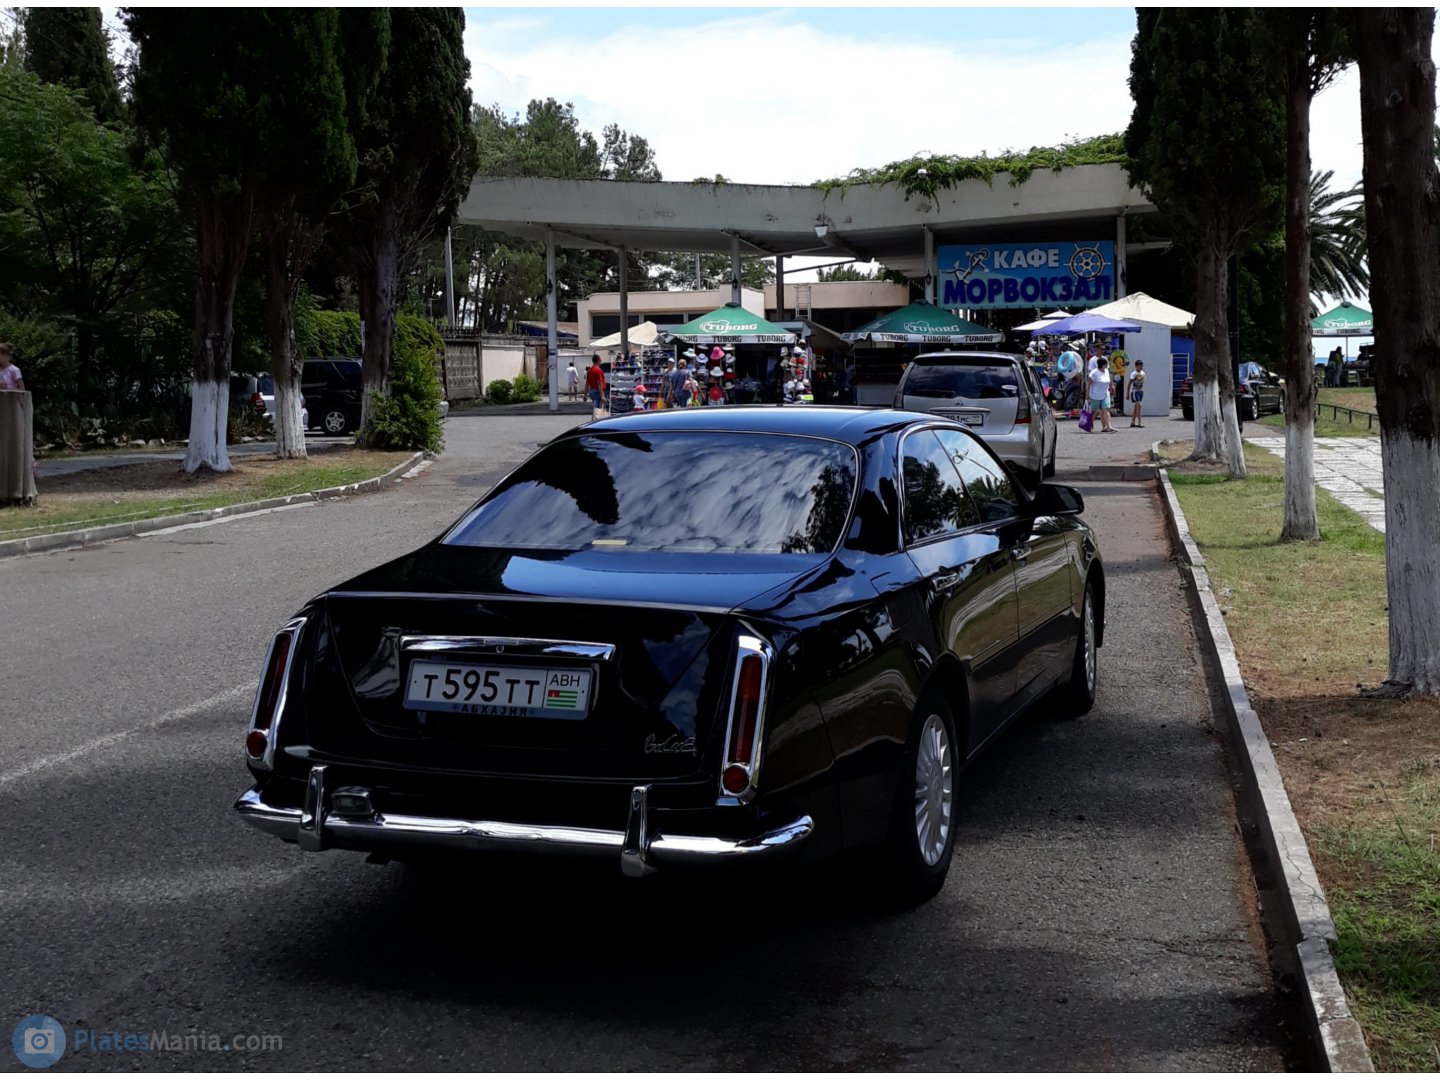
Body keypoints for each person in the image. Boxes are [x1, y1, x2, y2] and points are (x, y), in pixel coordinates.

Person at [1087, 355, 1116, 433]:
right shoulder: (1094, 373)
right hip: (1095, 394)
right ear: (1102, 365)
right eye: (1106, 364)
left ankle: (1109, 426)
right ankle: (1088, 424)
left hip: (1105, 393)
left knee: (1106, 409)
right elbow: (1089, 384)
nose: (1107, 366)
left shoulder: (1106, 371)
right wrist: (1087, 395)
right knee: (1094, 411)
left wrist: (1111, 386)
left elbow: (1109, 380)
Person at [1128, 359, 1146, 428]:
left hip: (1140, 391)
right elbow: (1130, 383)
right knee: (1139, 405)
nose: (1141, 367)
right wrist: (1128, 393)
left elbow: (1142, 382)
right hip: (1135, 391)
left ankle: (1132, 422)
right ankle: (1139, 422)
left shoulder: (1143, 373)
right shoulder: (1133, 373)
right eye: (1140, 365)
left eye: (1142, 365)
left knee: (1136, 407)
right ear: (1136, 366)